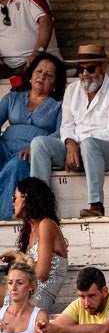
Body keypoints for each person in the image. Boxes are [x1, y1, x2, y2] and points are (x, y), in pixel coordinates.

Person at [30, 44, 109, 219]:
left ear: (103, 67)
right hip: (77, 149)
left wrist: (77, 143)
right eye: (80, 69)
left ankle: (95, 205)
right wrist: (70, 143)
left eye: (90, 69)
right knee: (39, 143)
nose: (84, 74)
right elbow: (67, 125)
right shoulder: (72, 90)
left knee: (89, 144)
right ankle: (39, 206)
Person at [0, 52, 65, 218]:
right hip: (5, 146)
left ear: (55, 84)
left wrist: (35, 145)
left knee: (16, 165)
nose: (42, 76)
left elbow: (62, 132)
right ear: (30, 75)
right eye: (38, 71)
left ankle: (5, 216)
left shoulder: (58, 105)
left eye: (49, 75)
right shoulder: (12, 98)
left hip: (29, 154)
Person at [1, 177, 69, 311]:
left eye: (15, 198)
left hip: (35, 300)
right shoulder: (30, 230)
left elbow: (41, 274)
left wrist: (19, 257)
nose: (12, 203)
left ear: (26, 199)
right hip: (23, 295)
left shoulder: (46, 224)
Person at [0, 0, 60, 77]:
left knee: (38, 68)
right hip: (7, 66)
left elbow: (46, 21)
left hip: (35, 62)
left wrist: (38, 51)